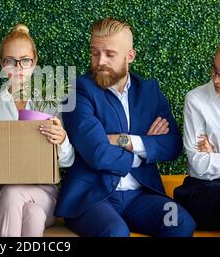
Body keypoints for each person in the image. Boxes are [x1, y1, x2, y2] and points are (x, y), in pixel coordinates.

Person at [55, 17, 196, 237]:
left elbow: (172, 144)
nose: (100, 61)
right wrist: (141, 153)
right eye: (95, 53)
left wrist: (126, 140)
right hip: (93, 199)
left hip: (140, 197)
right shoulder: (77, 90)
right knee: (115, 232)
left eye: (110, 54)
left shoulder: (149, 92)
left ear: (130, 56)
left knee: (179, 222)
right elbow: (98, 153)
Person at [0, 24, 75, 237]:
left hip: (42, 194)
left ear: (35, 63)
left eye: (25, 60)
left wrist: (62, 140)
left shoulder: (50, 105)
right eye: (10, 61)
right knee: (31, 215)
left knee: (15, 194)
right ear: (2, 65)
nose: (18, 67)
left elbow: (66, 162)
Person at [174, 33, 220, 237]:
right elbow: (198, 164)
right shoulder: (196, 100)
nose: (216, 79)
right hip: (203, 192)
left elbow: (208, 162)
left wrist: (216, 156)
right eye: (215, 69)